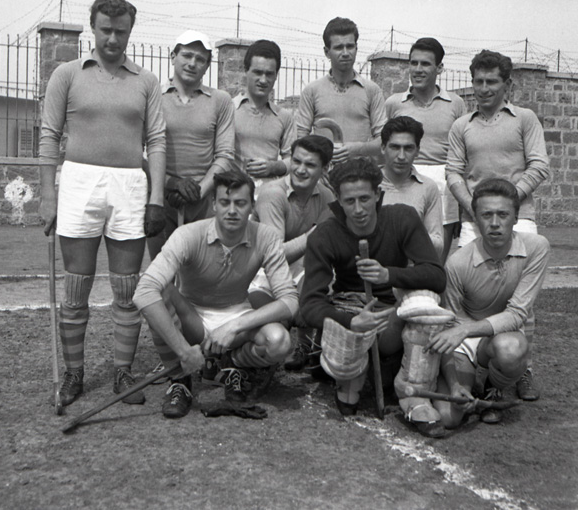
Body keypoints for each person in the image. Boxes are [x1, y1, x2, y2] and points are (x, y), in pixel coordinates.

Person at [39, 0, 166, 407]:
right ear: (93, 28)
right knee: (77, 285)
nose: (113, 38)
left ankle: (122, 372)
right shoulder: (67, 74)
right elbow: (49, 135)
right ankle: (74, 374)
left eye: (121, 31)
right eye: (106, 30)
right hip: (79, 182)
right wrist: (48, 194)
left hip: (129, 184)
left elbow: (156, 140)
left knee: (127, 286)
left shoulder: (146, 81)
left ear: (131, 31)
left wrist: (157, 198)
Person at [300, 157, 448, 436]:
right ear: (338, 200)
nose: (358, 209)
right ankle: (350, 379)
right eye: (349, 201)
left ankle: (414, 393)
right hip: (351, 308)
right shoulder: (325, 235)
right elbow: (309, 304)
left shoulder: (402, 218)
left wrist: (387, 275)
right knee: (349, 385)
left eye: (364, 199)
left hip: (394, 309)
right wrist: (349, 321)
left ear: (378, 194)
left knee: (426, 301)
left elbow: (437, 276)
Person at [133, 170, 299, 419]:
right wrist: (183, 351)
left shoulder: (266, 237)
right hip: (193, 317)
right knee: (161, 290)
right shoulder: (188, 235)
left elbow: (290, 301)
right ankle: (179, 380)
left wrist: (234, 326)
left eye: (240, 203)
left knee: (280, 342)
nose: (232, 210)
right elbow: (143, 292)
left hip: (237, 315)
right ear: (213, 204)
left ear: (252, 206)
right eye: (225, 202)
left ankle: (233, 363)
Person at [446, 49, 550, 400]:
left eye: (492, 81)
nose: (484, 88)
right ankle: (471, 362)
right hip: (473, 219)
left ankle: (522, 370)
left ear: (508, 84)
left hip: (518, 217)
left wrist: (505, 203)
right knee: (467, 291)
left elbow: (539, 165)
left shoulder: (525, 119)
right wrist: (475, 208)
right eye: (478, 81)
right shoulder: (462, 125)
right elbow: (453, 172)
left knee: (521, 301)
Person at [427, 178, 550, 427]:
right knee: (449, 417)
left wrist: (465, 330)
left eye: (503, 214)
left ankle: (492, 387)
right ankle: (470, 382)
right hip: (462, 343)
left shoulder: (537, 248)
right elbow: (447, 328)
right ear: (475, 219)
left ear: (516, 217)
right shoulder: (457, 263)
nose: (494, 223)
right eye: (486, 215)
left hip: (499, 336)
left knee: (511, 349)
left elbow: (517, 314)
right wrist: (454, 384)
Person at [147, 30, 235, 258]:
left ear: (207, 66)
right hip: (161, 200)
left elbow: (225, 155)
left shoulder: (220, 101)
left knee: (201, 270)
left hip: (203, 203)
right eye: (186, 55)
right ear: (173, 57)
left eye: (200, 59)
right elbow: (138, 153)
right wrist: (171, 184)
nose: (192, 63)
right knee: (163, 269)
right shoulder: (153, 96)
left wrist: (198, 191)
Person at [252, 135, 336, 369]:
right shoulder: (273, 193)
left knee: (328, 283)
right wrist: (315, 233)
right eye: (296, 161)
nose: (300, 170)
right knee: (277, 328)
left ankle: (308, 345)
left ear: (325, 169)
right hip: (261, 272)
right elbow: (275, 256)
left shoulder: (326, 195)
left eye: (310, 165)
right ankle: (251, 359)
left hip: (299, 269)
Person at [385, 37, 467, 260]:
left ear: (439, 68)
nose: (418, 69)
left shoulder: (456, 104)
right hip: (404, 179)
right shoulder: (394, 103)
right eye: (414, 63)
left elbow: (462, 152)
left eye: (425, 64)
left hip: (443, 183)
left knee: (436, 258)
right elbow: (384, 145)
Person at [296, 17, 386, 163]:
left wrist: (358, 149)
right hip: (323, 172)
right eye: (338, 47)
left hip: (359, 171)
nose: (345, 53)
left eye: (350, 46)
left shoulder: (372, 91)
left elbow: (383, 140)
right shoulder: (311, 91)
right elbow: (300, 137)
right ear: (327, 52)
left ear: (356, 48)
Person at [380, 116, 443, 257]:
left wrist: (404, 238)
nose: (401, 156)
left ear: (417, 151)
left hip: (413, 267)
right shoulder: (368, 184)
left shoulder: (428, 187)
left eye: (408, 148)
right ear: (383, 148)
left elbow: (438, 245)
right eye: (395, 147)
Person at [234, 39, 295, 186]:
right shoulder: (228, 109)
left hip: (270, 192)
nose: (263, 80)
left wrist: (273, 167)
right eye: (258, 72)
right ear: (245, 70)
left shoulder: (284, 117)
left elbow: (294, 160)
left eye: (269, 74)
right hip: (234, 192)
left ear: (276, 75)